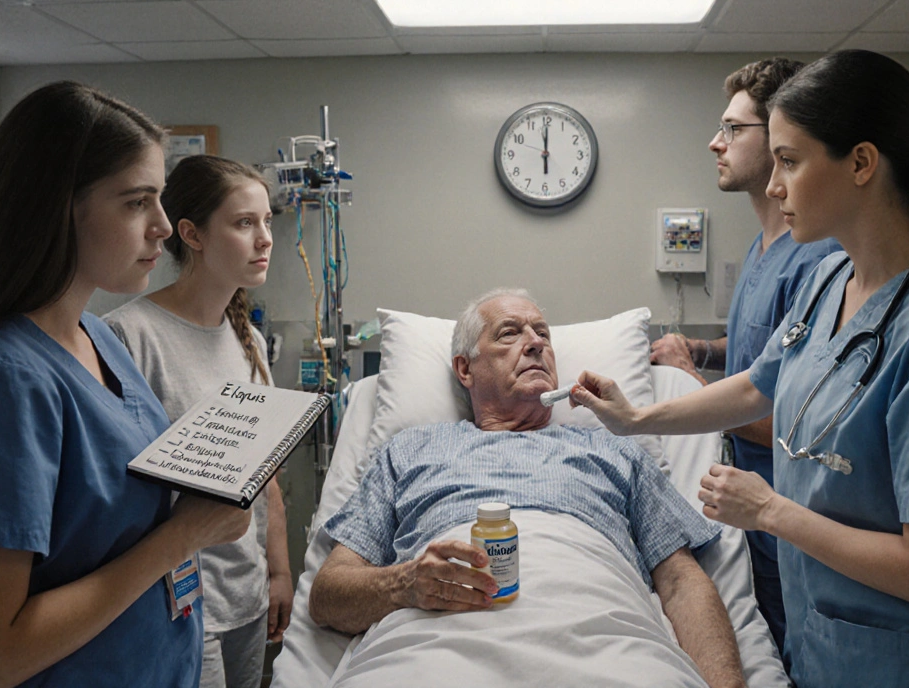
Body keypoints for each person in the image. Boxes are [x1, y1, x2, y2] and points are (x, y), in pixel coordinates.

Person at [573, 50, 909, 687]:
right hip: (829, 646)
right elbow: (759, 385)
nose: (773, 185)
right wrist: (636, 419)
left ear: (860, 163)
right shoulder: (830, 278)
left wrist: (770, 511)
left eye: (789, 162)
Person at [0, 81, 251, 687]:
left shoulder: (96, 339)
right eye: (136, 203)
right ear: (54, 211)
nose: (162, 227)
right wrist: (182, 535)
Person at [308, 289, 746, 688]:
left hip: (604, 634)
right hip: (434, 644)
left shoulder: (614, 450)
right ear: (465, 368)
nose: (536, 343)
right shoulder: (408, 451)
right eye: (509, 334)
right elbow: (328, 595)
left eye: (542, 334)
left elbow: (680, 583)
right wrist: (404, 584)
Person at [650, 57, 838, 651]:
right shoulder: (766, 246)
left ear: (782, 135)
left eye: (733, 129)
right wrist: (704, 350)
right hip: (752, 511)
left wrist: (688, 383)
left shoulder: (815, 258)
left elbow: (797, 416)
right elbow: (773, 354)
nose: (716, 143)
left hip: (789, 509)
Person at [105, 154, 293, 688]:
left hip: (247, 591)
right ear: (191, 234)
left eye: (267, 223)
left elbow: (267, 474)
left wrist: (278, 571)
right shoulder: (129, 337)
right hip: (177, 598)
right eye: (243, 223)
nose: (264, 240)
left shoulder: (248, 340)